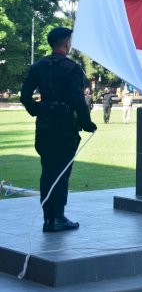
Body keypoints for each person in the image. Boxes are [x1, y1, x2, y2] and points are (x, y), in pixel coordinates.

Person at [20, 27, 97, 232]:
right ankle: (58, 218)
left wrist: (39, 110)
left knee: (47, 171)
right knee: (61, 173)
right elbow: (78, 100)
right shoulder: (72, 69)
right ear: (66, 43)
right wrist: (87, 123)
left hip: (44, 126)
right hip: (65, 127)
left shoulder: (38, 67)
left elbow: (25, 95)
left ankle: (48, 218)